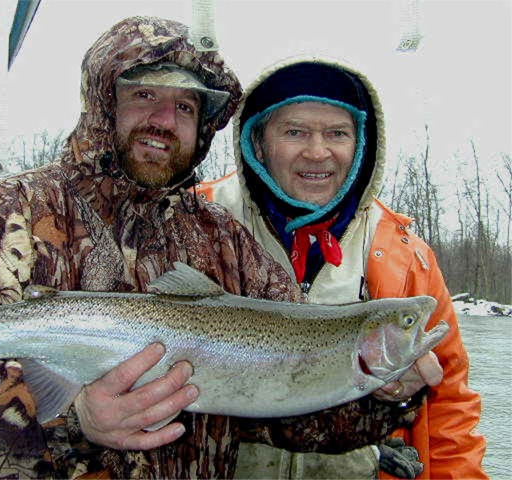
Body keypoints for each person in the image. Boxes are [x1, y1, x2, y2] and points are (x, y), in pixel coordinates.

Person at [0, 17, 434, 479]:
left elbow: (284, 421)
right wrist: (72, 420)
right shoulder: (9, 216)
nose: (165, 120)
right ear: (102, 101)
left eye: (186, 107)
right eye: (144, 95)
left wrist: (384, 398)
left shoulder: (227, 242)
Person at [197, 56, 487, 479]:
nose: (318, 152)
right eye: (295, 132)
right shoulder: (189, 222)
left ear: (360, 144)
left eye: (337, 133)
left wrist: (404, 401)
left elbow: (452, 414)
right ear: (257, 143)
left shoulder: (407, 258)